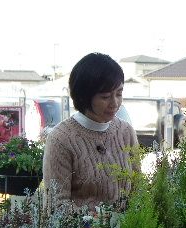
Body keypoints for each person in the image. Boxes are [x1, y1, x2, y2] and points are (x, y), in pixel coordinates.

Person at [43, 52, 139, 209]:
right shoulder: (61, 139)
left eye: (119, 94)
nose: (115, 103)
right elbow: (56, 205)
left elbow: (137, 189)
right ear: (85, 97)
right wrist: (97, 222)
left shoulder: (126, 132)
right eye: (105, 96)